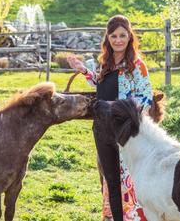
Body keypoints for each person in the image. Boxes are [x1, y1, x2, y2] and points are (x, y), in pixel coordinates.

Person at [67, 15, 152, 221]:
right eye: (113, 35)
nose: (118, 40)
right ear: (108, 37)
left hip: (123, 130)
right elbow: (101, 84)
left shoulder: (136, 65)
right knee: (110, 179)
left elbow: (146, 97)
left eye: (122, 35)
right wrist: (84, 71)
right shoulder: (105, 62)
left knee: (127, 175)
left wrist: (123, 113)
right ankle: (114, 217)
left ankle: (134, 216)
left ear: (129, 36)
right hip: (101, 128)